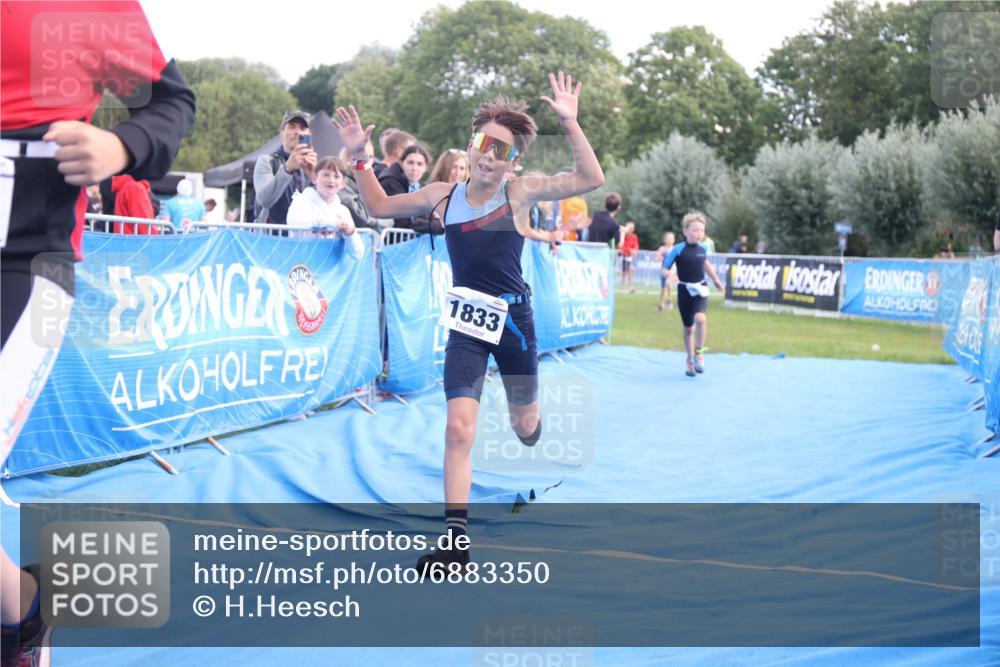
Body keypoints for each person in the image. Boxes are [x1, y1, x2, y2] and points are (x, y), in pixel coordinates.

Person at [334, 71, 601, 574]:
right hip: (468, 326)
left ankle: (530, 419)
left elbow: (590, 179)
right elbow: (377, 205)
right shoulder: (442, 195)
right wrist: (359, 157)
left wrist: (569, 122)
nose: (488, 154)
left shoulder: (519, 193)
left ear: (512, 160)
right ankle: (456, 545)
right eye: (483, 143)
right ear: (471, 144)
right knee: (459, 430)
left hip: (514, 322)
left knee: (525, 427)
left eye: (501, 149)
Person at [0, 3, 195, 664]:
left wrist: (119, 147)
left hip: (34, 268)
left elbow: (171, 103)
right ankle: (22, 609)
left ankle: (28, 611)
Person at [661, 211, 725, 377]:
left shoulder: (703, 248)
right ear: (686, 231)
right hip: (684, 291)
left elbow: (705, 264)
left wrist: (716, 280)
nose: (699, 234)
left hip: (701, 289)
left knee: (701, 318)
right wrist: (671, 275)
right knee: (688, 329)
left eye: (702, 231)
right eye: (695, 230)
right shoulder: (678, 249)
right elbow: (664, 269)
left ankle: (699, 353)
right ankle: (689, 359)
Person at [286, 157, 364, 258]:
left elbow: (358, 255)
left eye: (336, 176)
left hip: (329, 271)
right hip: (302, 266)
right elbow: (293, 222)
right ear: (314, 178)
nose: (331, 180)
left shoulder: (342, 211)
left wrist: (351, 233)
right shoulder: (301, 200)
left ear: (343, 183)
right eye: (326, 175)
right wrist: (330, 222)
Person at [253, 110, 317, 225]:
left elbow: (326, 205)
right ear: (282, 132)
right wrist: (287, 168)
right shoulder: (267, 161)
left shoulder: (312, 165)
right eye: (292, 127)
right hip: (271, 238)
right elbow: (265, 200)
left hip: (303, 239)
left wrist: (316, 179)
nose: (297, 132)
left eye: (303, 129)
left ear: (309, 135)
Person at [378, 143, 440, 233]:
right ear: (402, 163)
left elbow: (422, 216)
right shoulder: (391, 183)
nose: (414, 168)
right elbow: (402, 221)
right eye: (410, 162)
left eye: (419, 164)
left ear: (426, 168)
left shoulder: (418, 187)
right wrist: (436, 225)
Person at [655, 231, 677, 312]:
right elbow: (657, 259)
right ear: (664, 240)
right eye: (668, 238)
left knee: (668, 282)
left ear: (674, 240)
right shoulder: (662, 249)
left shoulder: (675, 249)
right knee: (663, 288)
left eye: (671, 238)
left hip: (672, 270)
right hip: (663, 269)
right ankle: (661, 303)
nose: (670, 240)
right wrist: (661, 258)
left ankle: (670, 300)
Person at [619, 221, 639, 292]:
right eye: (630, 227)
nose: (631, 229)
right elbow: (621, 247)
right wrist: (629, 250)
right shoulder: (623, 236)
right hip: (625, 256)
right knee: (625, 272)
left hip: (630, 257)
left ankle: (630, 287)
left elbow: (636, 246)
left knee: (630, 271)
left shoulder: (634, 236)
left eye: (632, 228)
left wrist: (634, 251)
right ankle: (623, 287)